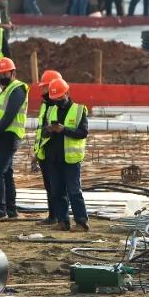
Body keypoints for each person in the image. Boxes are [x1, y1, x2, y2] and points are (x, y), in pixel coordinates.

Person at [41, 78, 90, 231]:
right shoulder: (50, 110)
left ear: (67, 93)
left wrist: (64, 130)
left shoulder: (79, 110)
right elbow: (42, 132)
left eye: (60, 98)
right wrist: (48, 130)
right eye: (55, 99)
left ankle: (81, 222)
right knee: (57, 191)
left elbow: (83, 133)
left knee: (74, 191)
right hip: (53, 158)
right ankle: (62, 221)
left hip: (70, 159)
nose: (57, 101)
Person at [0, 57, 28, 220]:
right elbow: (0, 115)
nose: (2, 76)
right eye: (0, 73)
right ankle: (11, 209)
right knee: (6, 173)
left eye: (5, 73)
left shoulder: (17, 89)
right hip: (3, 136)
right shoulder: (6, 89)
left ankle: (0, 210)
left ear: (13, 72)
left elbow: (9, 115)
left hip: (9, 136)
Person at [32, 69, 63, 225]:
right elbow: (40, 130)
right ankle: (52, 215)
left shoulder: (59, 106)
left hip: (54, 153)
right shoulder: (45, 105)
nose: (42, 90)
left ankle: (58, 216)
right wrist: (36, 152)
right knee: (49, 186)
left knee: (56, 186)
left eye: (45, 87)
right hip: (44, 152)